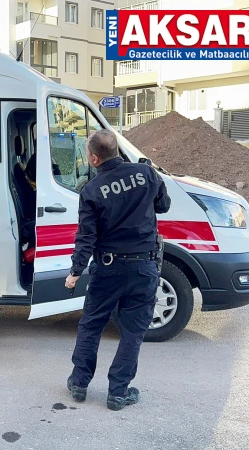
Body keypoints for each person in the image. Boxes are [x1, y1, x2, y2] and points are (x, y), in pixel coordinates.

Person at [64, 129, 171, 411]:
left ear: (94, 158)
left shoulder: (90, 190)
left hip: (108, 268)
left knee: (92, 324)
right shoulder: (146, 174)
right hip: (144, 266)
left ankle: (79, 383)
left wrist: (75, 270)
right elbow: (164, 205)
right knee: (132, 332)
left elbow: (86, 236)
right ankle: (118, 392)